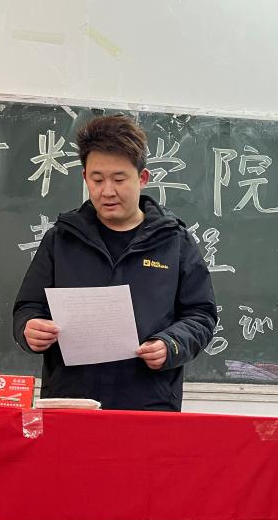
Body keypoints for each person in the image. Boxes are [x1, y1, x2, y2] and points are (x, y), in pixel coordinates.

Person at [12, 115, 216, 411]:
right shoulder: (62, 239)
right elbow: (28, 307)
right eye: (97, 180)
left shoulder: (174, 241)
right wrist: (29, 328)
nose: (107, 191)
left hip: (148, 404)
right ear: (85, 177)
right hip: (72, 403)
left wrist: (170, 344)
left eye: (119, 179)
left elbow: (201, 315)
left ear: (142, 178)